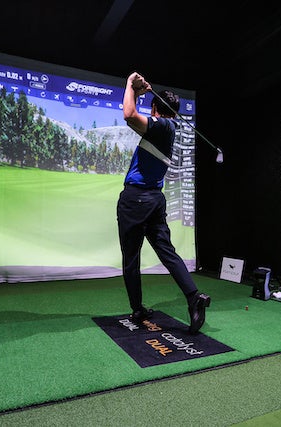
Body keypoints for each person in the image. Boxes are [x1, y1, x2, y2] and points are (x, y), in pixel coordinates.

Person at [117, 71, 210, 335]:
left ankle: (137, 309)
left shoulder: (161, 126)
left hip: (136, 200)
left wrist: (129, 84)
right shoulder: (169, 128)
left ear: (155, 110)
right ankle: (193, 297)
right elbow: (135, 119)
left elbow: (129, 115)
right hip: (154, 201)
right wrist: (137, 93)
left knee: (131, 259)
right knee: (167, 252)